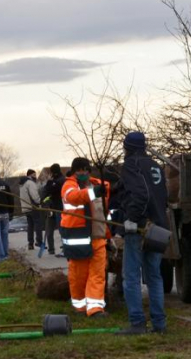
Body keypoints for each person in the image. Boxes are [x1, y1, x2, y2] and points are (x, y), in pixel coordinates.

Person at [115, 131, 169, 335]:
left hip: (139, 228)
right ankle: (159, 324)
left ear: (127, 147)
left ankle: (137, 322)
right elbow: (162, 195)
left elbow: (140, 194)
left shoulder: (131, 164)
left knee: (131, 276)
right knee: (154, 276)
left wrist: (131, 218)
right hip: (158, 227)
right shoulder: (155, 166)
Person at [61, 157, 110, 318]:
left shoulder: (99, 185)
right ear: (74, 171)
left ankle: (95, 308)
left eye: (86, 170)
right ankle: (80, 306)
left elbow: (104, 211)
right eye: (80, 170)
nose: (83, 173)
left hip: (98, 238)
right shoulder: (68, 186)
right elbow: (74, 197)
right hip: (78, 241)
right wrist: (93, 193)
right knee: (79, 276)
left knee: (97, 274)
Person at [43, 163, 66, 256]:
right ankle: (51, 249)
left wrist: (49, 182)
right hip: (52, 208)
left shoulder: (59, 181)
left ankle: (65, 249)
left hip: (59, 209)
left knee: (62, 230)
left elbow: (48, 190)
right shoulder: (57, 180)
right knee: (49, 230)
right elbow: (45, 192)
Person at [20, 168, 43, 250]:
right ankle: (39, 242)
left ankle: (30, 243)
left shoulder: (22, 184)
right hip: (33, 207)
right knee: (38, 224)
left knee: (30, 226)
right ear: (30, 175)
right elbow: (35, 196)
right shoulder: (30, 183)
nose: (35, 176)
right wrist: (40, 202)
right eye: (34, 175)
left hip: (26, 208)